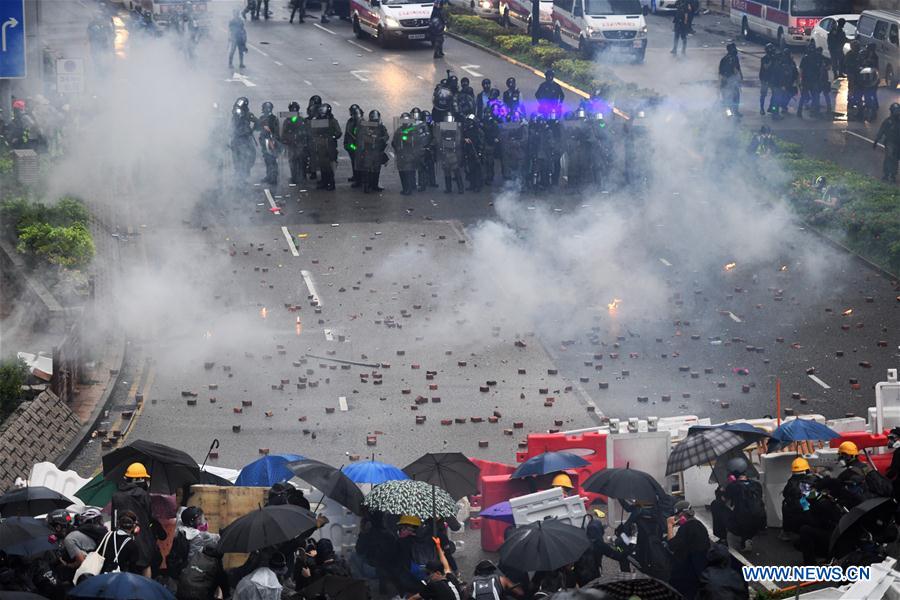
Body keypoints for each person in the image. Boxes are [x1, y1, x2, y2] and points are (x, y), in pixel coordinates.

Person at [111, 462, 165, 577]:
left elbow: (114, 518)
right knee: (145, 564)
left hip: (121, 537)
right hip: (142, 538)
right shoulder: (143, 495)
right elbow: (149, 517)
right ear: (140, 480)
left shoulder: (116, 496)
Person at [666, 501, 710, 600]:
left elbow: (672, 545)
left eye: (676, 516)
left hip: (688, 573)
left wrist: (669, 525)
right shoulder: (699, 525)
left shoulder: (687, 527)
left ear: (681, 514)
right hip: (701, 569)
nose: (676, 519)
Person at [722, 456, 766, 551]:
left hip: (743, 520)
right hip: (760, 519)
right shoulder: (756, 484)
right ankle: (749, 536)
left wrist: (723, 489)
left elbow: (725, 499)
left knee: (719, 507)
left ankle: (726, 537)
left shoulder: (733, 487)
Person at [781, 457, 820, 537]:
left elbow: (785, 494)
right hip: (811, 514)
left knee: (785, 503)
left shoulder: (791, 482)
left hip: (796, 514)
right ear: (807, 469)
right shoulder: (814, 479)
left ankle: (786, 532)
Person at [309, 103, 343, 190]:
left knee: (329, 166)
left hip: (329, 147)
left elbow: (338, 132)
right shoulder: (317, 121)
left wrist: (332, 137)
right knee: (322, 165)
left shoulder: (332, 121)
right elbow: (312, 131)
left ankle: (331, 183)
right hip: (320, 146)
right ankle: (324, 181)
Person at [101, 510, 142, 575]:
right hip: (120, 579)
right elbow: (133, 567)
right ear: (133, 526)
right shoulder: (132, 544)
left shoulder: (107, 536)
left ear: (118, 524)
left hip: (100, 576)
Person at [358, 110, 389, 193]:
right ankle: (367, 186)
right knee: (367, 169)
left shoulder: (381, 127)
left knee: (376, 169)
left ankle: (375, 185)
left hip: (378, 151)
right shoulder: (365, 126)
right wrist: (371, 140)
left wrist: (380, 140)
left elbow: (386, 136)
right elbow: (361, 137)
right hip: (368, 151)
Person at [230, 97, 257, 183]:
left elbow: (257, 121)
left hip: (245, 139)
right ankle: (239, 176)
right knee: (237, 158)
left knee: (250, 157)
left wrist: (252, 130)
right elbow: (231, 127)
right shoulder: (235, 116)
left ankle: (243, 175)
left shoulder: (247, 114)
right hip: (237, 139)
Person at [436, 114, 464, 194]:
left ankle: (459, 188)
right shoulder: (444, 128)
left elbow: (458, 140)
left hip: (452, 152)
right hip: (446, 152)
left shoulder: (455, 128)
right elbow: (439, 139)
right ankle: (450, 188)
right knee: (447, 171)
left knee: (455, 170)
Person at [282, 101, 308, 185]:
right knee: (294, 161)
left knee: (300, 160)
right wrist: (285, 141)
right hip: (292, 144)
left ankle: (300, 177)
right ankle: (296, 177)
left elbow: (306, 132)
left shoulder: (300, 120)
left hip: (299, 143)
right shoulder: (288, 121)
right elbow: (284, 133)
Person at [393, 113, 419, 195]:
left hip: (409, 154)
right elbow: (394, 141)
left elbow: (413, 141)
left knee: (408, 172)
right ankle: (405, 188)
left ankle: (409, 189)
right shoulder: (399, 130)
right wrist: (395, 146)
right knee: (402, 172)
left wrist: (404, 137)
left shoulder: (413, 130)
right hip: (401, 155)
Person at [257, 101, 279, 185]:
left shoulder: (273, 118)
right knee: (267, 159)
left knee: (272, 159)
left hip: (271, 141)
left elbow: (275, 131)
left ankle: (273, 176)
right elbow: (258, 127)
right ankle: (269, 175)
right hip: (265, 141)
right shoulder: (263, 118)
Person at [798, 42, 822, 118]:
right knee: (815, 96)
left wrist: (801, 80)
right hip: (811, 80)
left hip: (809, 80)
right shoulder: (815, 57)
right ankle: (813, 111)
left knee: (806, 96)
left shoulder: (806, 58)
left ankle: (801, 111)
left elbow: (801, 70)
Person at [718, 43, 743, 116]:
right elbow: (721, 73)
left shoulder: (734, 58)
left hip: (732, 83)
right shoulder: (727, 59)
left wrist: (740, 77)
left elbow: (738, 69)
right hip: (727, 83)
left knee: (734, 98)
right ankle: (729, 114)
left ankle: (733, 113)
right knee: (729, 99)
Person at [344, 104, 364, 186]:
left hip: (359, 146)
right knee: (354, 161)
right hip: (351, 145)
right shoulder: (350, 121)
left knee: (359, 163)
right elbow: (347, 133)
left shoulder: (362, 123)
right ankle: (355, 176)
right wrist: (346, 144)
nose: (354, 115)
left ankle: (359, 179)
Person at [759, 43, 777, 115]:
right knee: (763, 94)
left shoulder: (774, 57)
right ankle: (762, 109)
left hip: (771, 78)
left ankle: (772, 108)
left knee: (775, 94)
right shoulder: (765, 58)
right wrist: (771, 60)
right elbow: (766, 67)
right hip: (765, 79)